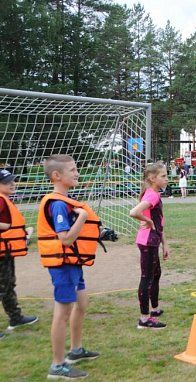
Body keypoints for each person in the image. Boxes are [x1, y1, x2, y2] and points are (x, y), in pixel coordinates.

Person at [37, 155, 101, 379]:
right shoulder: (57, 204)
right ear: (57, 176)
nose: (77, 173)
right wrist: (83, 217)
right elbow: (65, 240)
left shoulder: (67, 201)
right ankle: (57, 365)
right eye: (72, 170)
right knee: (62, 312)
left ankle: (75, 350)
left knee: (82, 303)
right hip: (63, 265)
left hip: (73, 263)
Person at [129, 162, 170, 329]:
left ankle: (154, 309)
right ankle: (144, 319)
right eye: (163, 176)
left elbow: (160, 224)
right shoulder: (152, 195)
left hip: (153, 241)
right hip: (147, 241)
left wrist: (165, 245)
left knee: (156, 274)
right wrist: (147, 220)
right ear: (152, 178)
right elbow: (133, 212)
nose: (167, 179)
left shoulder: (153, 194)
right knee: (147, 278)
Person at [0, 170, 38, 340]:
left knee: (8, 285)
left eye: (12, 180)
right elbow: (6, 225)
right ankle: (15, 317)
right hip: (2, 252)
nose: (12, 183)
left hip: (6, 251)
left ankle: (15, 318)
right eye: (7, 181)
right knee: (3, 288)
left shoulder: (4, 200)